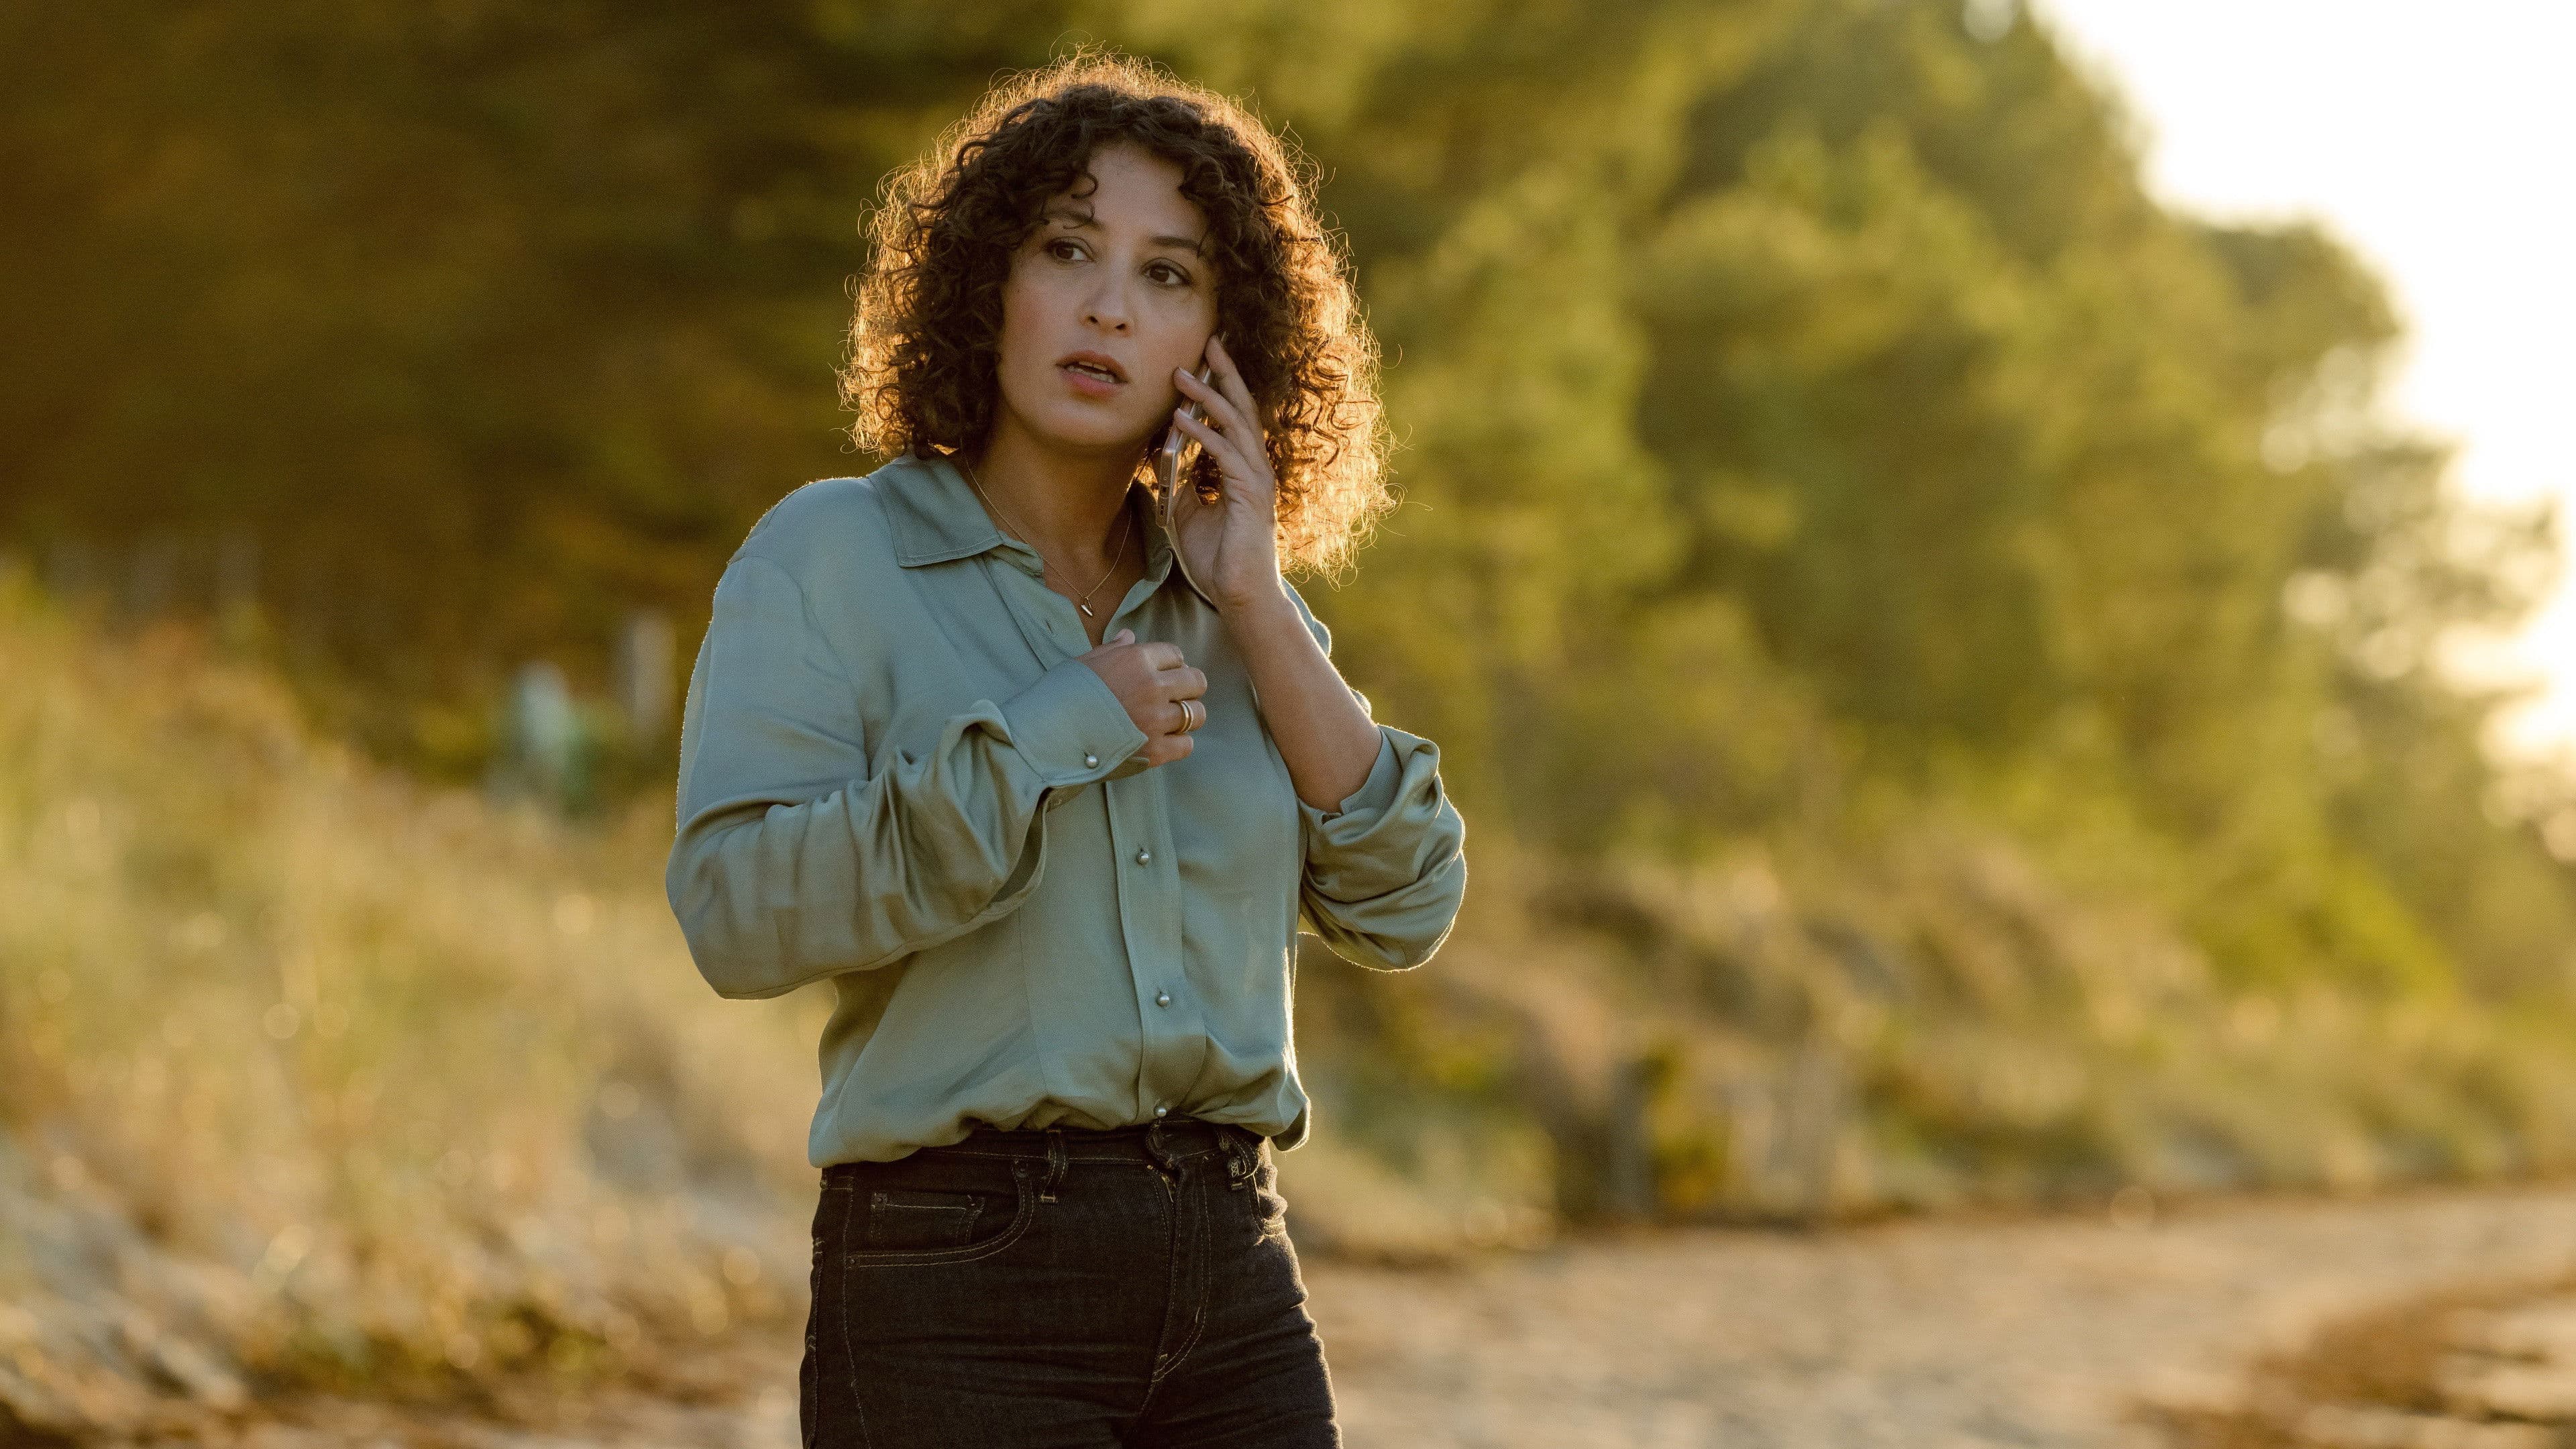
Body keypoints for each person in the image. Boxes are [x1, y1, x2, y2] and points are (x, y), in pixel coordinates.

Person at [663, 53, 1468, 1449]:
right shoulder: (834, 555)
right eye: (1068, 249)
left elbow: (1408, 902)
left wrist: (1262, 602)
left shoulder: (1233, 601)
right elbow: (736, 916)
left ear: (1226, 338)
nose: (1109, 304)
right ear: (987, 284)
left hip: (1235, 1279)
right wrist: (1049, 738)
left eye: (1169, 275)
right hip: (956, 1286)